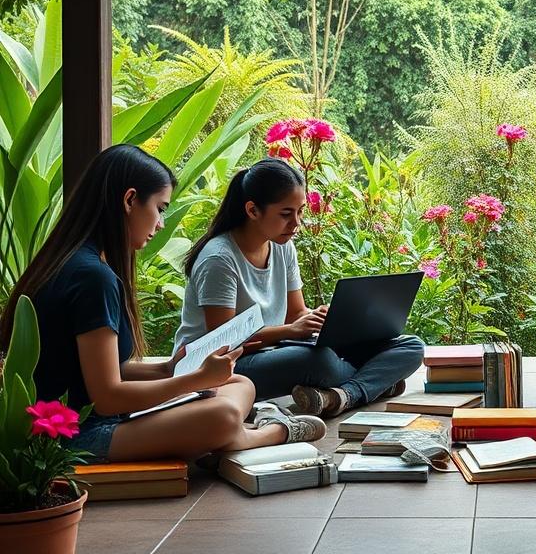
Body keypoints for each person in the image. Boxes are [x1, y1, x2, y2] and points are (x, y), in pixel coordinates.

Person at [0, 145, 323, 464]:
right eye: (160, 208)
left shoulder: (77, 262)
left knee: (238, 382)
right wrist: (193, 381)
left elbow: (111, 370)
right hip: (82, 435)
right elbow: (108, 397)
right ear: (129, 200)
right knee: (222, 415)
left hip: (102, 417)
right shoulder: (91, 278)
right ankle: (265, 434)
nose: (160, 223)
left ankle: (223, 437)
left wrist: (168, 368)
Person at [176, 158, 424, 418]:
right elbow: (222, 344)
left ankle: (341, 395)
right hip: (217, 368)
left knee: (410, 346)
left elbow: (296, 313)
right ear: (252, 210)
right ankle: (374, 383)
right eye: (285, 214)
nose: (296, 223)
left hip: (273, 352)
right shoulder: (219, 259)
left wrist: (327, 321)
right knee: (321, 362)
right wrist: (291, 330)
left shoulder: (283, 247)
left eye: (300, 211)